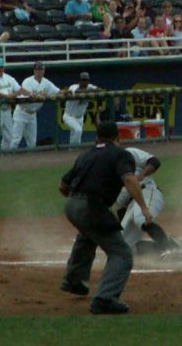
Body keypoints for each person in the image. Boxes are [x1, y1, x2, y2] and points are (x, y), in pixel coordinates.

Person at [59, 121, 151, 314]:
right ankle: (105, 299)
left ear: (97, 137)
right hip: (91, 205)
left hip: (71, 205)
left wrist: (78, 202)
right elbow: (128, 178)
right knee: (122, 254)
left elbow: (63, 186)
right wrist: (143, 207)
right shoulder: (120, 154)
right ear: (118, 137)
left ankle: (74, 280)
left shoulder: (85, 155)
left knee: (89, 234)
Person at [114, 147, 182, 256]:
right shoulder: (107, 177)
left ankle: (169, 250)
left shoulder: (127, 153)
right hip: (132, 204)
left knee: (140, 217)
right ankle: (168, 245)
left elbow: (154, 162)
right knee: (122, 247)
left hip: (147, 192)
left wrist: (141, 177)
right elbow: (121, 209)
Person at [0, 57, 31, 157]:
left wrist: (32, 94)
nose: (0, 69)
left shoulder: (8, 78)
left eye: (2, 67)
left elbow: (19, 89)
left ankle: (3, 155)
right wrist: (7, 96)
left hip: (6, 110)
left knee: (9, 136)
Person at [11, 62, 62, 149]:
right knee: (16, 139)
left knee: (32, 142)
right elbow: (30, 97)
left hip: (32, 114)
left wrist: (66, 92)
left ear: (44, 70)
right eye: (37, 69)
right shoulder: (27, 81)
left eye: (41, 69)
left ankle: (30, 162)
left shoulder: (46, 82)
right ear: (34, 71)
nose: (39, 72)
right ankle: (7, 159)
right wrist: (41, 96)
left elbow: (58, 91)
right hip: (21, 112)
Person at [63, 72, 99, 145]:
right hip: (69, 116)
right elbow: (76, 92)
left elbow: (99, 90)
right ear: (79, 81)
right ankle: (73, 151)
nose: (85, 82)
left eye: (86, 80)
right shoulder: (73, 87)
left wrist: (92, 90)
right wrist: (89, 91)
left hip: (80, 118)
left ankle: (71, 151)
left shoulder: (90, 86)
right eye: (83, 80)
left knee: (76, 137)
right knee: (78, 130)